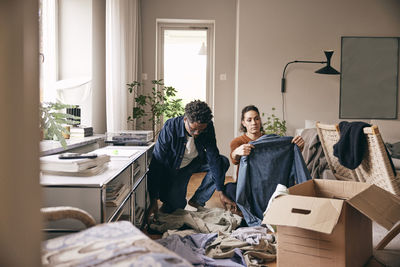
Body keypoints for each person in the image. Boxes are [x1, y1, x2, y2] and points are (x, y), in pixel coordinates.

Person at [146, 100, 236, 222]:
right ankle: (169, 198)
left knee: (222, 162)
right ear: (185, 120)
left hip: (196, 162)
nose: (197, 133)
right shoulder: (170, 127)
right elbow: (157, 163)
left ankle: (198, 200)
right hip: (175, 169)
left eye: (201, 130)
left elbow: (212, 155)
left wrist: (220, 190)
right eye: (193, 129)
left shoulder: (208, 126)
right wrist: (153, 199)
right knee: (176, 207)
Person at [225, 105, 305, 202]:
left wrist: (298, 147)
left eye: (256, 119)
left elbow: (284, 158)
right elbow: (234, 160)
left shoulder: (270, 140)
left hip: (268, 184)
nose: (254, 123)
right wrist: (236, 152)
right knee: (229, 188)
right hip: (248, 185)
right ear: (243, 123)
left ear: (260, 121)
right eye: (249, 120)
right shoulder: (237, 142)